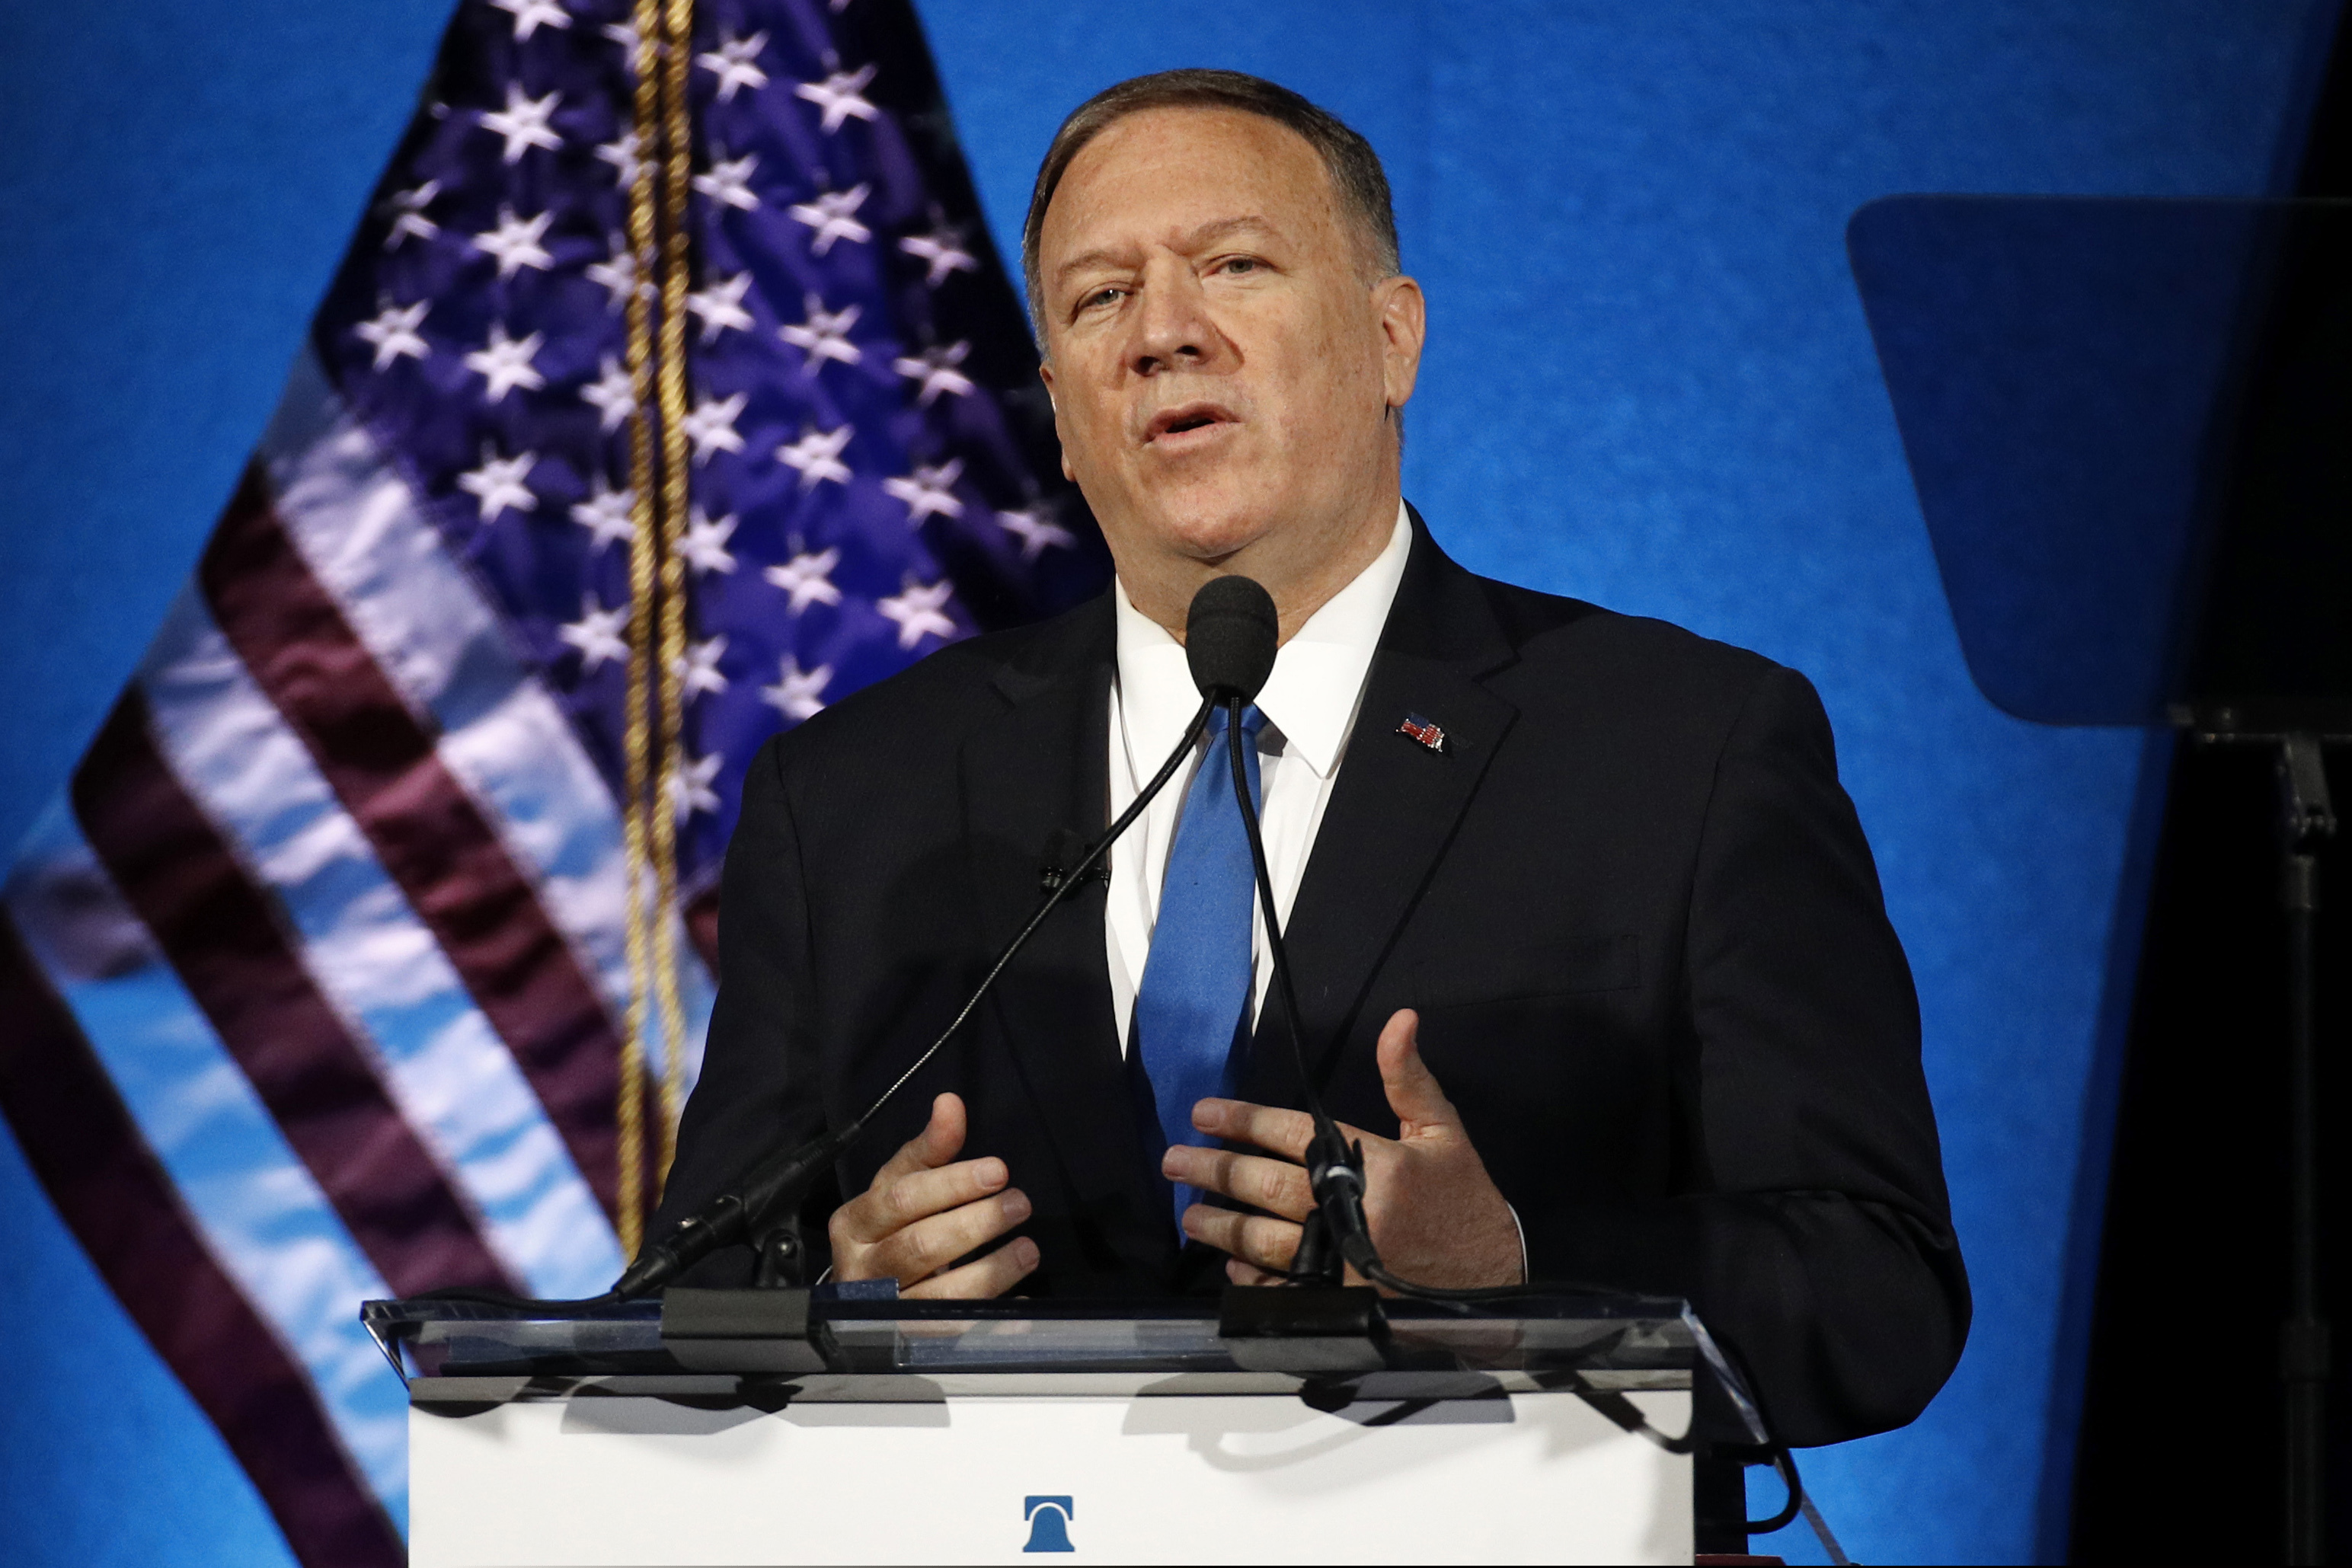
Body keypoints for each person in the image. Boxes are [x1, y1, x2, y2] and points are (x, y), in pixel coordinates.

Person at [654, 68, 1969, 1449]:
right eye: (1101, 296)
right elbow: (690, 1291)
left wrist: (1512, 1263)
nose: (1165, 332)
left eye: (1235, 264)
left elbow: (1876, 1288)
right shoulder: (854, 796)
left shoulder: (1682, 747)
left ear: (1393, 337)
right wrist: (833, 1298)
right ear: (1056, 402)